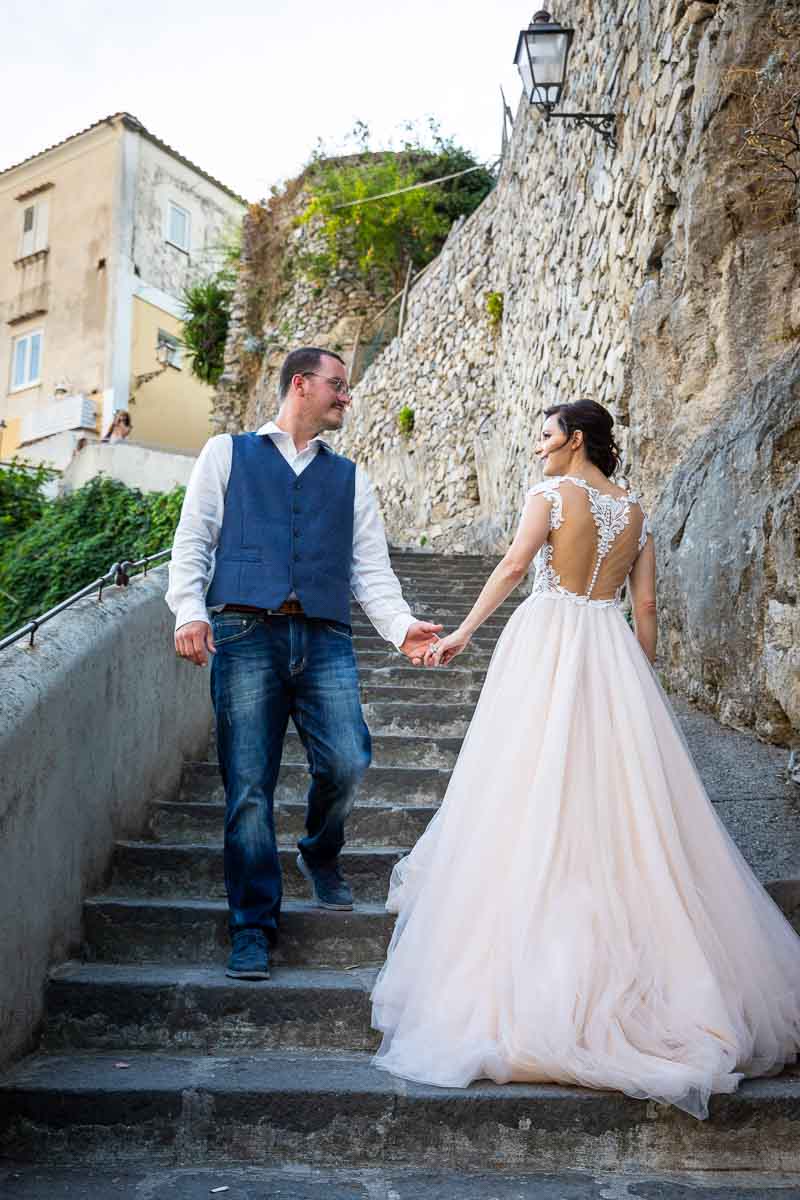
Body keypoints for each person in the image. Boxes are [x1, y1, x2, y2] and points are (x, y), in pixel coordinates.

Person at [370, 398, 800, 1119]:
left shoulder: (549, 495)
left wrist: (463, 634)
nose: (535, 447)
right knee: (623, 811)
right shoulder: (637, 510)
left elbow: (514, 565)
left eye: (544, 435)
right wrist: (639, 689)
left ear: (574, 440)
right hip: (612, 655)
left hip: (546, 645)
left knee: (527, 788)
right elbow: (649, 611)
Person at [167, 347, 442, 982]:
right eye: (338, 386)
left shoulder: (351, 478)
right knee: (248, 788)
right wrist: (189, 611)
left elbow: (371, 573)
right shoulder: (226, 453)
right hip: (242, 633)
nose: (347, 397)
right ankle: (253, 927)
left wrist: (401, 629)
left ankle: (320, 850)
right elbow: (193, 540)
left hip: (323, 637)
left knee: (349, 759)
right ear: (301, 384)